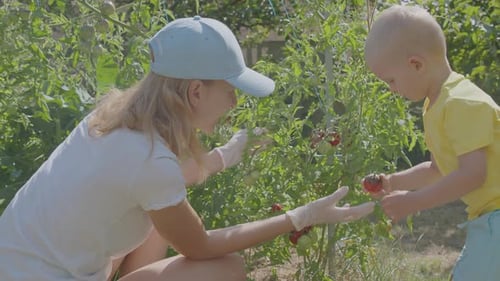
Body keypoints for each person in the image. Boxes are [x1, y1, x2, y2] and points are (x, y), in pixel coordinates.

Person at [0, 16, 375, 281]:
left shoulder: (110, 120)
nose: (234, 103)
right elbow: (202, 246)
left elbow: (155, 183)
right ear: (196, 91)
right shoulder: (149, 162)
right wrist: (299, 216)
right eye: (230, 92)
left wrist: (227, 155)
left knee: (162, 220)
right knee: (225, 268)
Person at [363, 5, 500, 281]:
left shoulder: (462, 103)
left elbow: (473, 174)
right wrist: (393, 181)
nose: (392, 89)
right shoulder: (436, 104)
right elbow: (438, 169)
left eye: (391, 80)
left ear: (417, 64)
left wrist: (414, 202)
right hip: (487, 218)